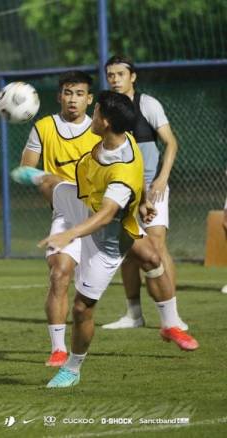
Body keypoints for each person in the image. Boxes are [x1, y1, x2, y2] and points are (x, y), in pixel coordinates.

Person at [12, 91, 199, 388]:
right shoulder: (120, 143)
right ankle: (36, 176)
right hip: (84, 199)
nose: (92, 115)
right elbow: (136, 182)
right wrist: (141, 204)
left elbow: (105, 215)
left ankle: (72, 369)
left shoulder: (120, 171)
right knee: (53, 182)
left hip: (104, 238)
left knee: (82, 308)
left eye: (96, 111)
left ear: (106, 121)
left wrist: (70, 233)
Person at [20, 71, 100, 367]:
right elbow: (26, 170)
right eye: (68, 92)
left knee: (148, 256)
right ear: (59, 96)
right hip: (66, 215)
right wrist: (54, 189)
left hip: (101, 213)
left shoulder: (100, 128)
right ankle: (58, 349)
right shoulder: (43, 128)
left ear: (89, 99)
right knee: (58, 274)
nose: (73, 99)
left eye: (79, 93)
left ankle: (171, 322)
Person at [102, 55, 187, 330]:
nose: (115, 79)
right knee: (128, 250)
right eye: (110, 75)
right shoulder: (106, 110)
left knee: (157, 247)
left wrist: (162, 178)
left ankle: (172, 318)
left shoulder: (147, 104)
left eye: (120, 74)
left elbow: (171, 142)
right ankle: (134, 315)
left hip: (152, 188)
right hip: (122, 190)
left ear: (132, 77)